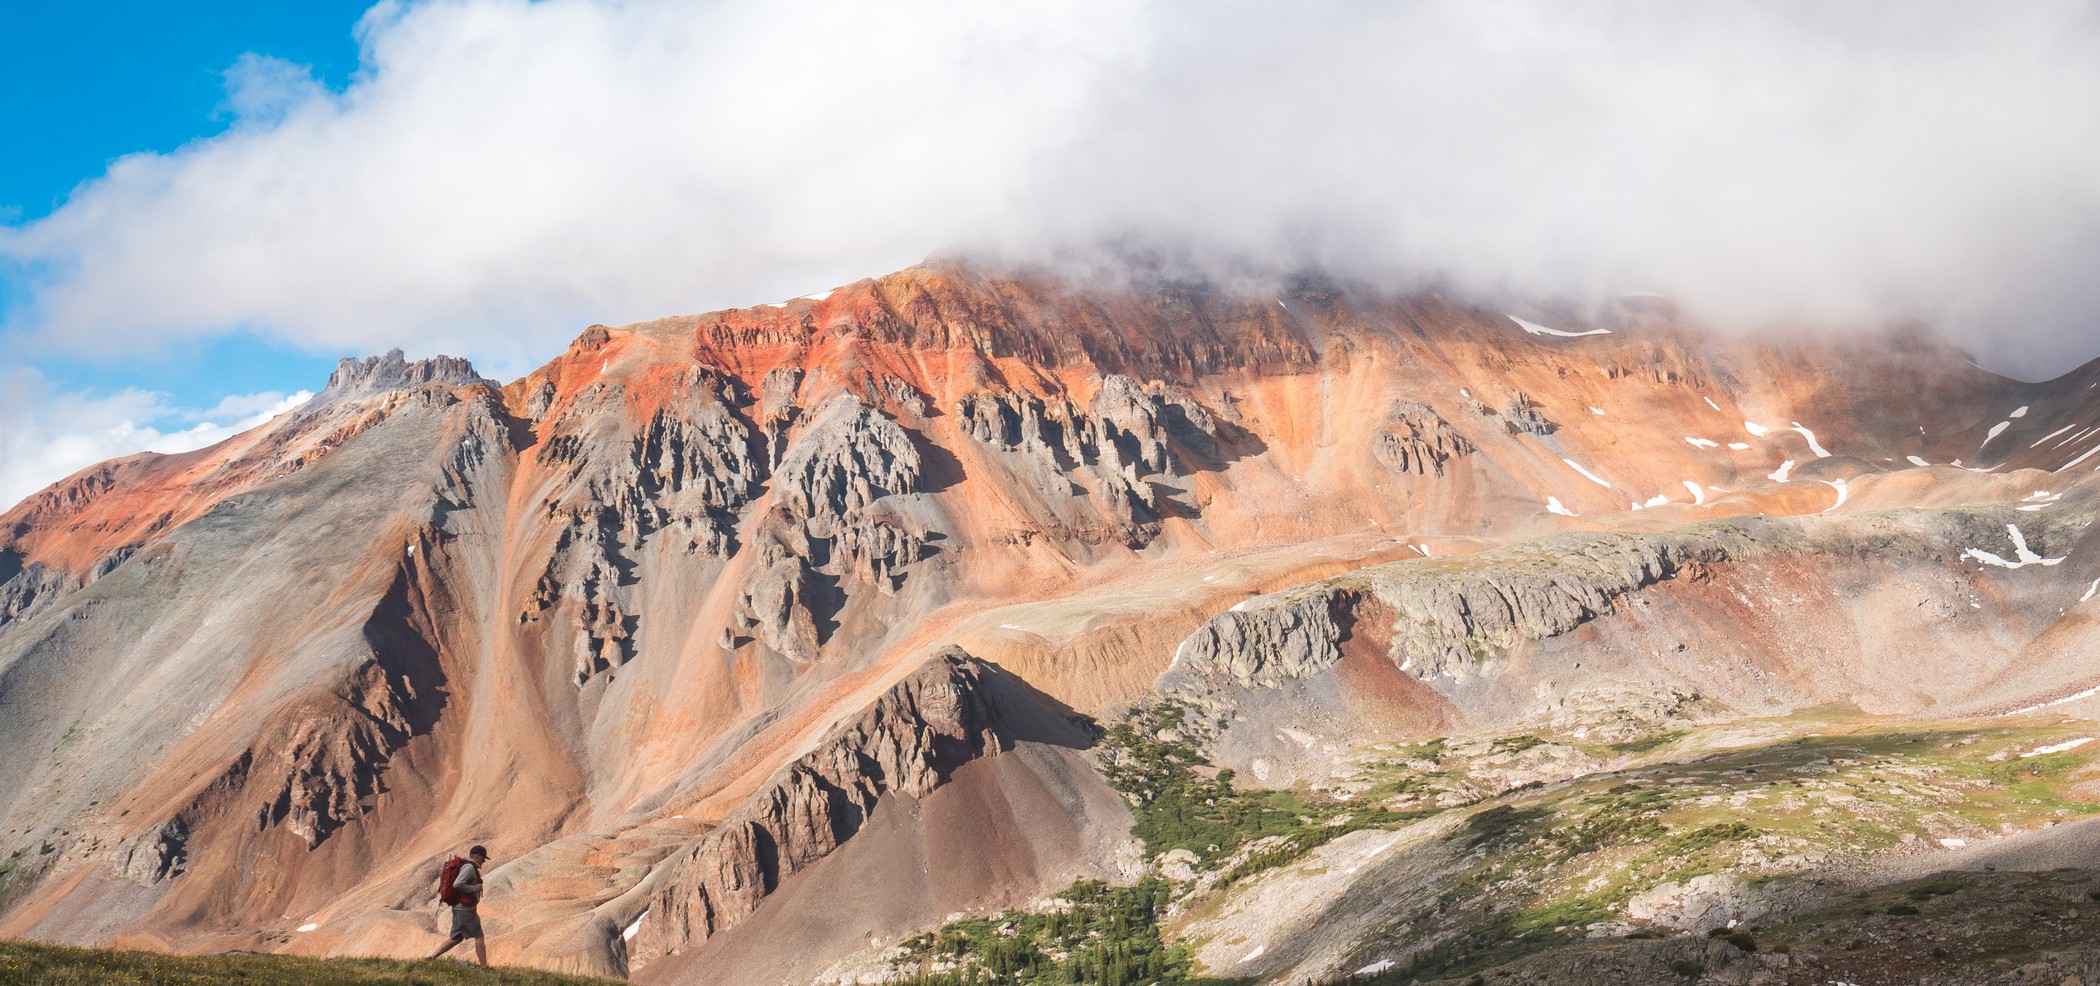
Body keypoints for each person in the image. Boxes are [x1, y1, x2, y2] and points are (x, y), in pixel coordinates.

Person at [427, 845, 491, 965]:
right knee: (479, 935)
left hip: (459, 907)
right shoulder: (469, 868)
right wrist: (474, 888)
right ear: (477, 856)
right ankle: (484, 967)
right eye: (483, 858)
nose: (484, 861)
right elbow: (458, 884)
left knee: (456, 938)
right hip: (465, 909)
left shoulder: (466, 865)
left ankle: (431, 957)